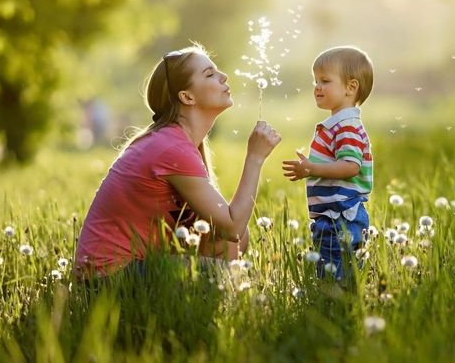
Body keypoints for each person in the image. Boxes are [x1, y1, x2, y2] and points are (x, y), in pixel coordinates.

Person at [74, 45, 281, 279]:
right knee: (224, 273)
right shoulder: (172, 148)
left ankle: (203, 306)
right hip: (108, 278)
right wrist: (254, 158)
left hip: (131, 268)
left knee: (223, 242)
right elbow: (232, 226)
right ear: (187, 96)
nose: (224, 77)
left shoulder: (177, 141)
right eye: (210, 74)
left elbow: (227, 230)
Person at [282, 45, 373, 281]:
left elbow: (350, 166)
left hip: (340, 217)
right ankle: (343, 306)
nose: (317, 87)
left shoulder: (346, 127)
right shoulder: (339, 124)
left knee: (334, 275)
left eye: (325, 80)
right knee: (341, 270)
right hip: (334, 215)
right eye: (315, 80)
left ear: (351, 87)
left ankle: (336, 308)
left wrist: (312, 169)